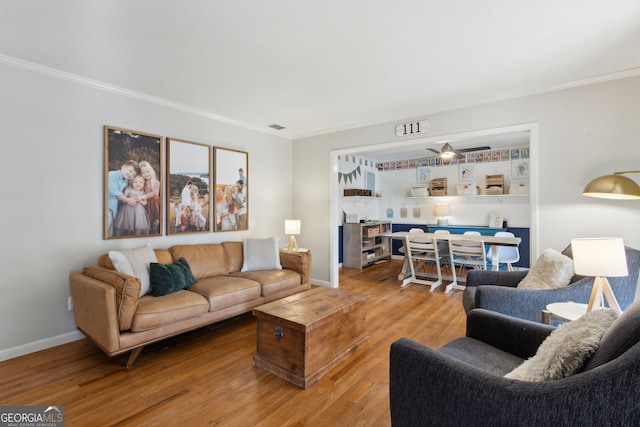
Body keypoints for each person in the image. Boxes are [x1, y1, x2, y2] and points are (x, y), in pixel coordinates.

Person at [107, 160, 138, 237]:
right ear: (123, 167)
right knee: (108, 226)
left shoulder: (126, 182)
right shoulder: (111, 175)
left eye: (133, 174)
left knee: (116, 229)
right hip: (106, 206)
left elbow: (124, 194)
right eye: (130, 171)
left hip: (115, 207)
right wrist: (128, 200)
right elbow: (116, 193)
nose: (131, 174)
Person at [139, 160, 160, 234]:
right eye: (143, 173)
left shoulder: (156, 182)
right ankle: (147, 232)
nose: (146, 174)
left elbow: (154, 193)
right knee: (146, 219)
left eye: (147, 171)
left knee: (154, 219)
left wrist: (142, 196)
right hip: (145, 202)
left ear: (151, 171)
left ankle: (154, 231)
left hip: (153, 203)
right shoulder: (142, 182)